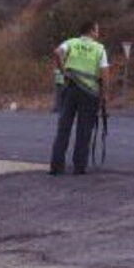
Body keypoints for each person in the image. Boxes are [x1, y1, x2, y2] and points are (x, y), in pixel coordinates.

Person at [49, 20, 109, 175]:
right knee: (84, 130)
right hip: (89, 94)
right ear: (91, 31)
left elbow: (57, 52)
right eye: (97, 30)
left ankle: (56, 166)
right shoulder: (99, 49)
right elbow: (104, 74)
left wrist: (64, 71)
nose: (98, 33)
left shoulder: (72, 43)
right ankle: (79, 166)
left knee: (64, 128)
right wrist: (104, 95)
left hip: (70, 89)